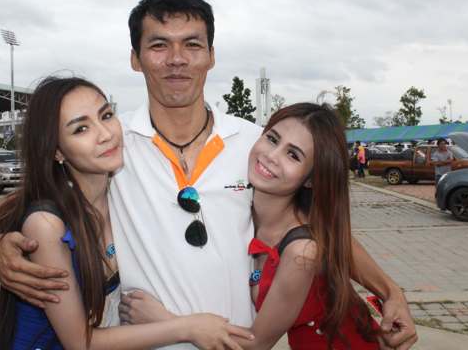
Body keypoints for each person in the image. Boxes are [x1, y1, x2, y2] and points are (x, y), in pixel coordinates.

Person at [0, 0, 417, 349]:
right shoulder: (112, 142)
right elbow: (41, 200)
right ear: (135, 58)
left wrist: (390, 290)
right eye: (159, 45)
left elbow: (319, 227)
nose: (177, 59)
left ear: (211, 55)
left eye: (192, 44)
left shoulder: (255, 144)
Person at [0, 76, 251, 349]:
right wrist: (186, 327)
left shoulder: (119, 190)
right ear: (57, 151)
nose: (105, 134)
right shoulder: (48, 225)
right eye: (80, 129)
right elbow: (80, 342)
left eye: (106, 115)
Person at [121, 103, 381, 349]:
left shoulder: (301, 252)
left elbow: (257, 343)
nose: (271, 156)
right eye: (272, 139)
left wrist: (166, 322)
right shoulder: (251, 212)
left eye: (293, 155)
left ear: (311, 179)